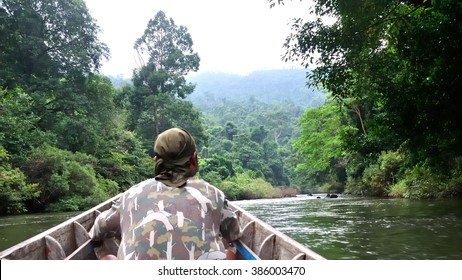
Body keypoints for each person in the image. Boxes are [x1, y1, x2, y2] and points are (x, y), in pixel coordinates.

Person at [89, 127, 241, 260]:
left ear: (156, 161)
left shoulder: (130, 195)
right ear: (194, 159)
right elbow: (234, 233)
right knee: (230, 251)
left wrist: (103, 252)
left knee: (110, 258)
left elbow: (98, 230)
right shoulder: (213, 194)